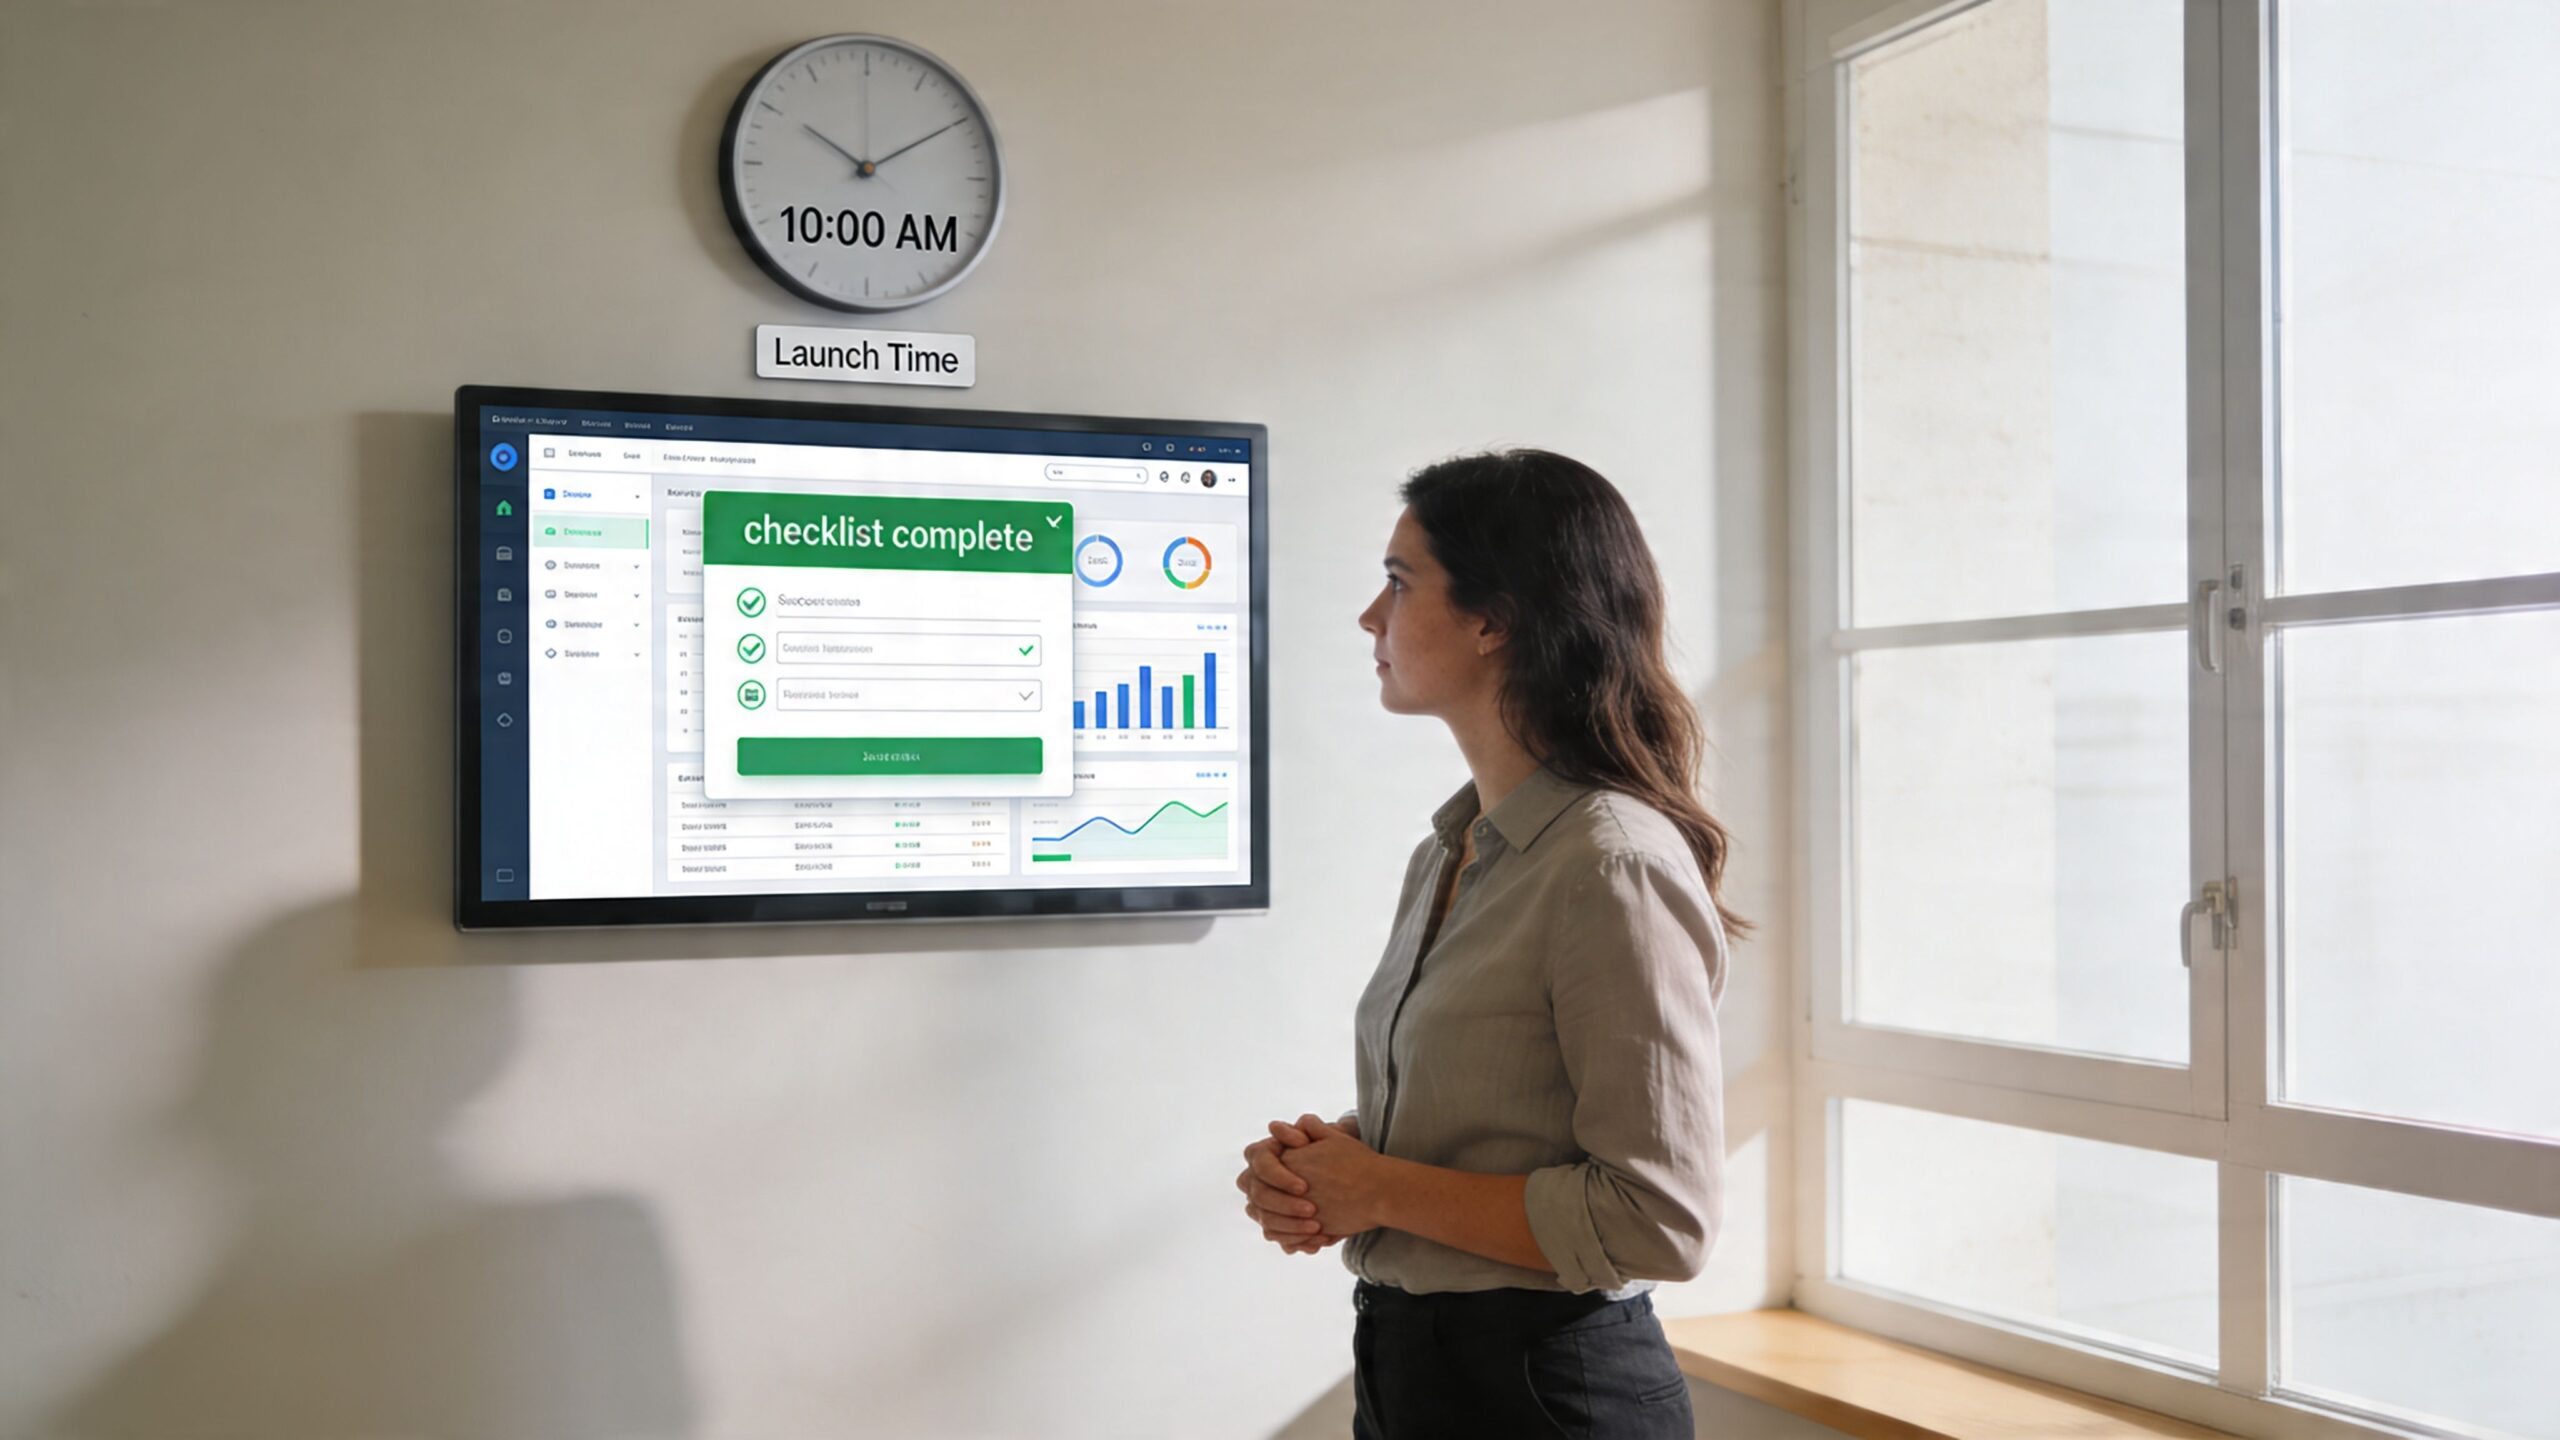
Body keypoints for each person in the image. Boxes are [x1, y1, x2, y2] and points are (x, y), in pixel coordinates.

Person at [1235, 449, 1746, 1438]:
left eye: (1396, 583)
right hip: (1413, 1373)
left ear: (1493, 619)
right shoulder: (1455, 847)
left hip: (1546, 1397)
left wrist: (1379, 1187)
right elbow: (1497, 1107)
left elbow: (1660, 1220)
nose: (1369, 619)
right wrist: (1331, 1170)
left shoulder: (1612, 866)